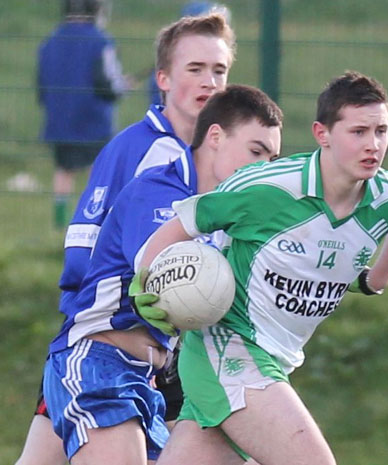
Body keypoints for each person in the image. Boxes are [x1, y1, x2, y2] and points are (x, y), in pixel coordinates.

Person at [135, 71, 388, 465]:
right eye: (358, 131)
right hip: (226, 350)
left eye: (381, 131)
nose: (373, 145)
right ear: (322, 134)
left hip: (278, 358)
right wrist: (145, 282)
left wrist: (378, 277)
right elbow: (173, 231)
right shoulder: (265, 188)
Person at [15, 11, 236, 465]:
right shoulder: (145, 150)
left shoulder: (210, 158)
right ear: (163, 79)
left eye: (219, 70)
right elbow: (84, 252)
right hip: (107, 342)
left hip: (150, 351)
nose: (209, 81)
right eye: (195, 69)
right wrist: (128, 308)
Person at [42, 84, 283, 464]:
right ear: (216, 136)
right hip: (96, 361)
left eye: (272, 159)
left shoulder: (224, 215)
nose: (264, 169)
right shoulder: (161, 188)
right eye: (256, 152)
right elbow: (159, 268)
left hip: (150, 381)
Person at [37, 0, 131, 229]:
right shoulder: (101, 42)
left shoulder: (49, 42)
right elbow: (108, 84)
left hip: (59, 121)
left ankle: (60, 222)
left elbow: (42, 85)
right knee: (97, 172)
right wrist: (122, 86)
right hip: (93, 121)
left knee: (64, 169)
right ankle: (93, 221)